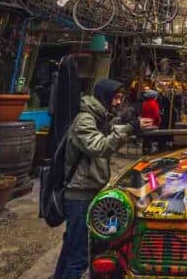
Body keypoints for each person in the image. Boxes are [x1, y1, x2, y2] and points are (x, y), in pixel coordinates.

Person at [53, 79, 152, 279]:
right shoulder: (85, 120)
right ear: (103, 96)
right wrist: (130, 128)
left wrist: (130, 127)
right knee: (79, 258)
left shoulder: (99, 117)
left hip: (89, 190)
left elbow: (112, 133)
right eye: (115, 97)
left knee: (72, 247)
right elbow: (99, 146)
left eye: (120, 98)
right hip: (79, 195)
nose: (117, 102)